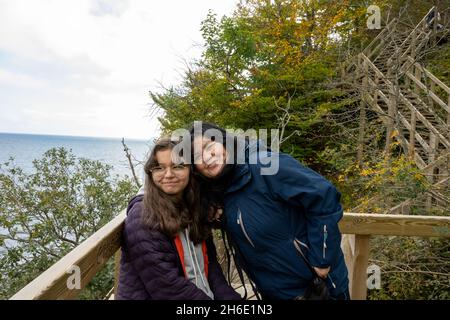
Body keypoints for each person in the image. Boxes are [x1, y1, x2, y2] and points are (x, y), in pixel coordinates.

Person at [188, 122, 350, 300]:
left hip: (318, 287)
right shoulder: (222, 188)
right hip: (274, 291)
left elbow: (323, 197)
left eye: (209, 145)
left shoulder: (264, 165)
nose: (206, 156)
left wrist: (322, 258)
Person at [116, 137, 241, 300]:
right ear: (150, 172)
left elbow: (211, 267)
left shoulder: (192, 207)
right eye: (159, 168)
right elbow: (169, 289)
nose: (168, 175)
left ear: (190, 171)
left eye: (178, 166)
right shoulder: (143, 216)